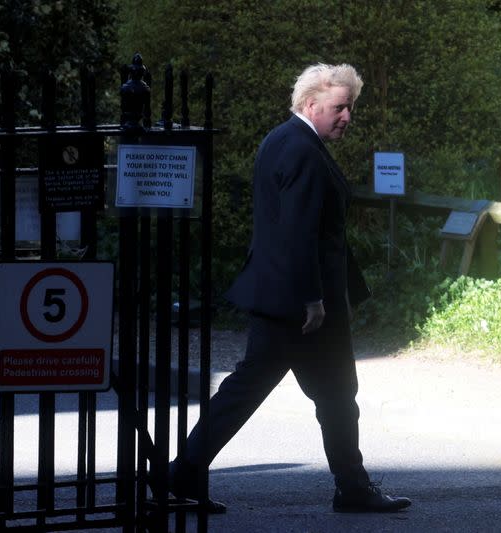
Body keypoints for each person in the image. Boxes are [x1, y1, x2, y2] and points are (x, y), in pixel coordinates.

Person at [169, 63, 411, 514]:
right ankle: (350, 487)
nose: (347, 117)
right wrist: (313, 299)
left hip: (286, 298)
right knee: (315, 394)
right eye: (340, 107)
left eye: (350, 108)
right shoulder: (300, 148)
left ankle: (183, 475)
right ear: (310, 103)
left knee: (325, 394)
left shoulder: (284, 140)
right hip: (302, 306)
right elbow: (297, 231)